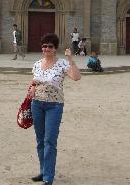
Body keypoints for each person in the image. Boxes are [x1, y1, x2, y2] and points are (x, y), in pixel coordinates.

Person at [28, 33, 81, 184]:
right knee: (40, 141)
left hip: (54, 106)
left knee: (50, 141)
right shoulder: (37, 63)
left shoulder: (62, 63)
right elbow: (34, 81)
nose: (46, 49)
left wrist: (70, 58)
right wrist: (31, 88)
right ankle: (43, 171)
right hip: (36, 104)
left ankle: (48, 178)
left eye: (50, 46)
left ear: (55, 48)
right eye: (44, 46)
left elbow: (76, 77)